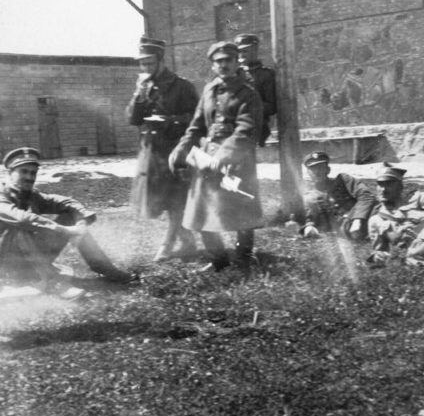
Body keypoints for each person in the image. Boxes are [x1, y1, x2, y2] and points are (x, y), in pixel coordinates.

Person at [168, 41, 264, 271]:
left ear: (236, 62)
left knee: (242, 209)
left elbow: (246, 130)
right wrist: (180, 149)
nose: (223, 65)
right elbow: (197, 125)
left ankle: (244, 255)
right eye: (218, 62)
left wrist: (223, 157)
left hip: (237, 159)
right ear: (212, 66)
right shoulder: (209, 90)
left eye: (227, 60)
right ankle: (218, 258)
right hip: (207, 158)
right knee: (200, 210)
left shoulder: (248, 94)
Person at [0, 147, 136, 297]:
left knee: (69, 216)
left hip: (25, 261)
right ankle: (53, 282)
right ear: (10, 173)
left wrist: (81, 220)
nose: (29, 177)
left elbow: (65, 201)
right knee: (21, 228)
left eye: (33, 173)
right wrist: (66, 230)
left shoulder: (31, 195)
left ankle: (105, 268)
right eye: (23, 171)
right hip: (4, 266)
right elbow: (22, 218)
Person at [126, 36, 199, 261]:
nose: (146, 68)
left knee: (177, 197)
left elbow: (197, 119)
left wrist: (170, 121)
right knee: (161, 198)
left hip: (174, 149)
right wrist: (138, 94)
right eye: (142, 63)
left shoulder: (182, 86)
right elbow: (133, 119)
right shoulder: (144, 87)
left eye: (149, 62)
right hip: (151, 151)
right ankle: (187, 240)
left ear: (160, 61)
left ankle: (168, 244)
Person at [301, 151, 377, 240]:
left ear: (328, 170)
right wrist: (309, 228)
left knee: (379, 209)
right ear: (308, 172)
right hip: (346, 229)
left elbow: (366, 195)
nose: (318, 172)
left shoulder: (343, 180)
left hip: (363, 217)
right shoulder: (309, 198)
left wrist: (358, 220)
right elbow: (309, 220)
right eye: (313, 169)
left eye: (321, 167)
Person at [234, 33, 277, 147]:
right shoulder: (234, 75)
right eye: (239, 52)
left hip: (255, 127)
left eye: (245, 51)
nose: (241, 55)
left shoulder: (265, 75)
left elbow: (272, 106)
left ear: (255, 51)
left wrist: (248, 107)